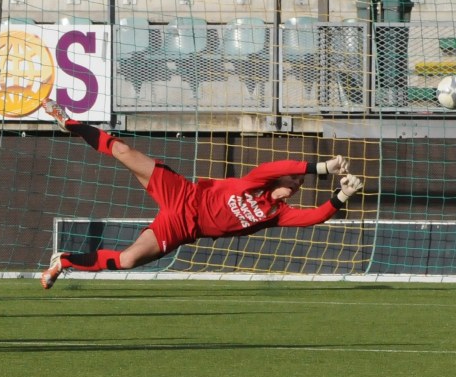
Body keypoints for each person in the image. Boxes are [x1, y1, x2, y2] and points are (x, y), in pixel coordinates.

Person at [39, 98, 363, 289]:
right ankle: (71, 122)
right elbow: (276, 165)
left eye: (297, 183)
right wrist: (321, 167)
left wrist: (342, 195)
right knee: (123, 151)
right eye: (292, 178)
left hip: (183, 229)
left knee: (128, 260)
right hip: (182, 194)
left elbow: (315, 217)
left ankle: (65, 260)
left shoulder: (276, 214)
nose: (293, 183)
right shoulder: (257, 181)